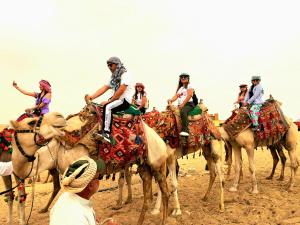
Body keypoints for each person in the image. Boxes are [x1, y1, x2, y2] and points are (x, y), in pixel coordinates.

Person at [49, 156, 114, 225]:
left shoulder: (66, 196)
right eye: (99, 177)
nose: (99, 181)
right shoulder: (77, 217)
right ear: (90, 186)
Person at [85, 57, 133, 143]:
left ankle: (106, 134)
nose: (109, 67)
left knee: (108, 107)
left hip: (124, 101)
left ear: (117, 64)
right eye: (108, 65)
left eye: (111, 65)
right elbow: (105, 87)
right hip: (116, 100)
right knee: (98, 106)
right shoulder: (114, 77)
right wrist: (92, 97)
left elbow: (121, 90)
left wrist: (110, 101)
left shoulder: (125, 74)